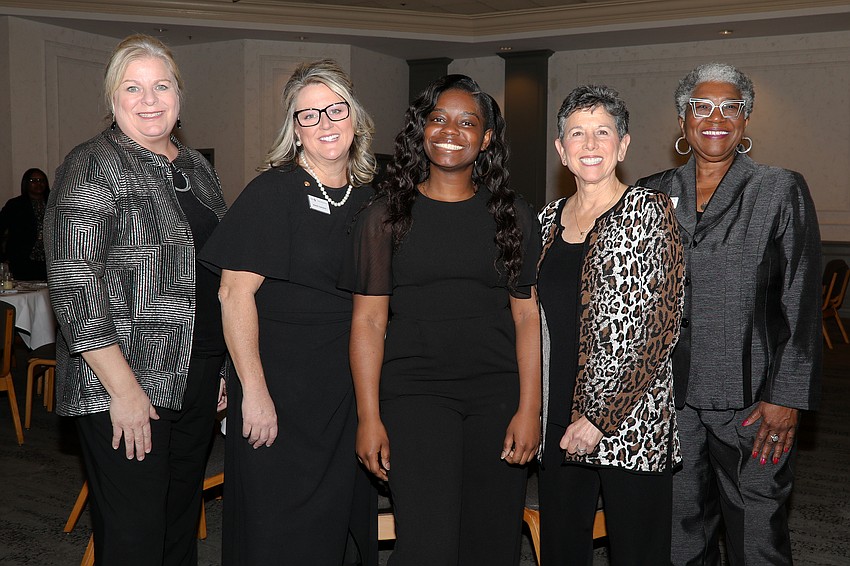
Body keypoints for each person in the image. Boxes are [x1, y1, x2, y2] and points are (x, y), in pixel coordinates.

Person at [44, 34, 229, 565]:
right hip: (125, 381)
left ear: (179, 95)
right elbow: (73, 286)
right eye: (133, 88)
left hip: (196, 375)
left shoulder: (196, 169)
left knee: (178, 528)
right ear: (112, 98)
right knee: (135, 537)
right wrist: (123, 390)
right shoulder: (92, 164)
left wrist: (221, 369)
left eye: (161, 86)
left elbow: (214, 275)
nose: (149, 100)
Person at [342, 74, 541, 565]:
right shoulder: (385, 216)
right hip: (415, 395)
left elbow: (526, 318)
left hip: (497, 396)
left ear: (486, 138)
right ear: (422, 128)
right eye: (439, 119)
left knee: (491, 543)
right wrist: (368, 417)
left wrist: (530, 409)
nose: (451, 131)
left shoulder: (512, 215)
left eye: (467, 122)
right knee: (427, 544)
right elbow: (368, 323)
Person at [637, 63, 822, 565]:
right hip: (669, 401)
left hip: (753, 402)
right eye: (701, 107)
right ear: (682, 120)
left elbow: (801, 298)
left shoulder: (778, 189)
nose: (715, 118)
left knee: (757, 533)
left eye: (730, 107)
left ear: (746, 119)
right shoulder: (650, 192)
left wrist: (786, 397)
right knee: (679, 536)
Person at [199, 59, 377, 565]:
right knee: (276, 524)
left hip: (344, 389)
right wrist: (253, 392)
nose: (325, 123)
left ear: (355, 118)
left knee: (337, 519)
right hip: (278, 385)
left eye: (335, 110)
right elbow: (233, 295)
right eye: (309, 115)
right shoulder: (272, 192)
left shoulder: (373, 198)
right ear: (294, 130)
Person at [536, 84, 684, 565]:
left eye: (603, 132)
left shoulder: (650, 212)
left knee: (638, 553)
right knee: (562, 550)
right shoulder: (544, 220)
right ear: (561, 150)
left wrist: (600, 419)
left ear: (623, 145)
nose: (590, 144)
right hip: (557, 418)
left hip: (632, 422)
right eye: (577, 133)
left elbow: (661, 328)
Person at [0, 168, 50, 280]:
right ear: (26, 183)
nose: (38, 183)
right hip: (23, 261)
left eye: (41, 180)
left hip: (48, 261)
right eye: (33, 181)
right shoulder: (15, 205)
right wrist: (3, 257)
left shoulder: (53, 204)